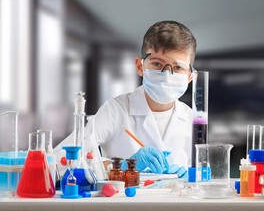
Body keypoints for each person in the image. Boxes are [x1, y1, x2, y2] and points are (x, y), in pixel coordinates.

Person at [55, 20, 196, 178]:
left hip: (176, 202)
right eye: (157, 63)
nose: (167, 75)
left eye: (178, 67)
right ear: (139, 66)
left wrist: (192, 177)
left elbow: (205, 175)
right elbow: (58, 159)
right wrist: (118, 166)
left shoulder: (192, 118)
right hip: (124, 202)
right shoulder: (116, 110)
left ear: (190, 76)